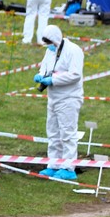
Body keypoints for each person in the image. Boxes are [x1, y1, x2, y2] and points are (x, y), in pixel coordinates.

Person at [33, 24, 84, 179]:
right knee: (53, 133)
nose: (49, 47)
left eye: (50, 43)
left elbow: (75, 74)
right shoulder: (50, 51)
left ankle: (68, 168)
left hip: (69, 98)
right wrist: (41, 75)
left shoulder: (74, 51)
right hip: (53, 98)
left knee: (67, 133)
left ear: (56, 39)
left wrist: (53, 79)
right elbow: (45, 67)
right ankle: (53, 164)